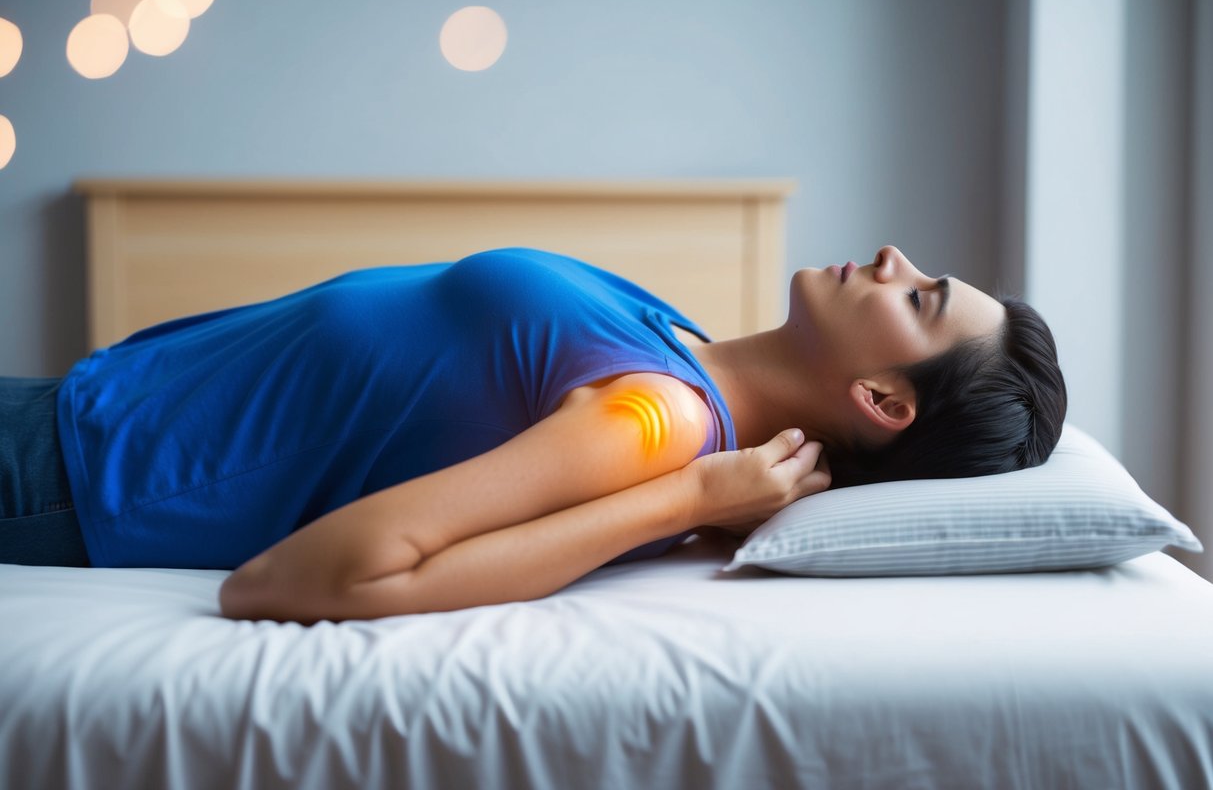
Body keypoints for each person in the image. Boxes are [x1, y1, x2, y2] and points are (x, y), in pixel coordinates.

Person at [0, 245, 1066, 623]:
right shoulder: (683, 348)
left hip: (66, 476)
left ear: (883, 400)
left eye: (921, 298)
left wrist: (692, 499)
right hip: (73, 410)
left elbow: (293, 581)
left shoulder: (660, 423)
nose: (892, 256)